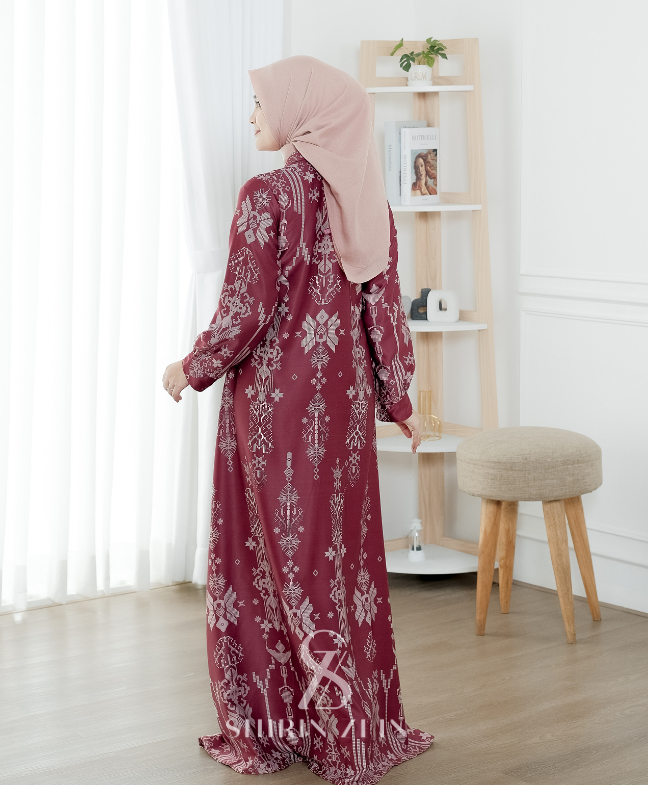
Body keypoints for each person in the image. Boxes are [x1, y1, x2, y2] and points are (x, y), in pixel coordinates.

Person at [161, 55, 433, 784]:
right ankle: (349, 729)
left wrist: (191, 366)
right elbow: (384, 311)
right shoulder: (367, 203)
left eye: (261, 103)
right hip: (343, 417)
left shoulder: (267, 195)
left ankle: (283, 729)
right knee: (333, 565)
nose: (252, 115)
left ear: (304, 112)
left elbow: (245, 311)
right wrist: (400, 401)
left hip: (274, 413)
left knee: (266, 565)